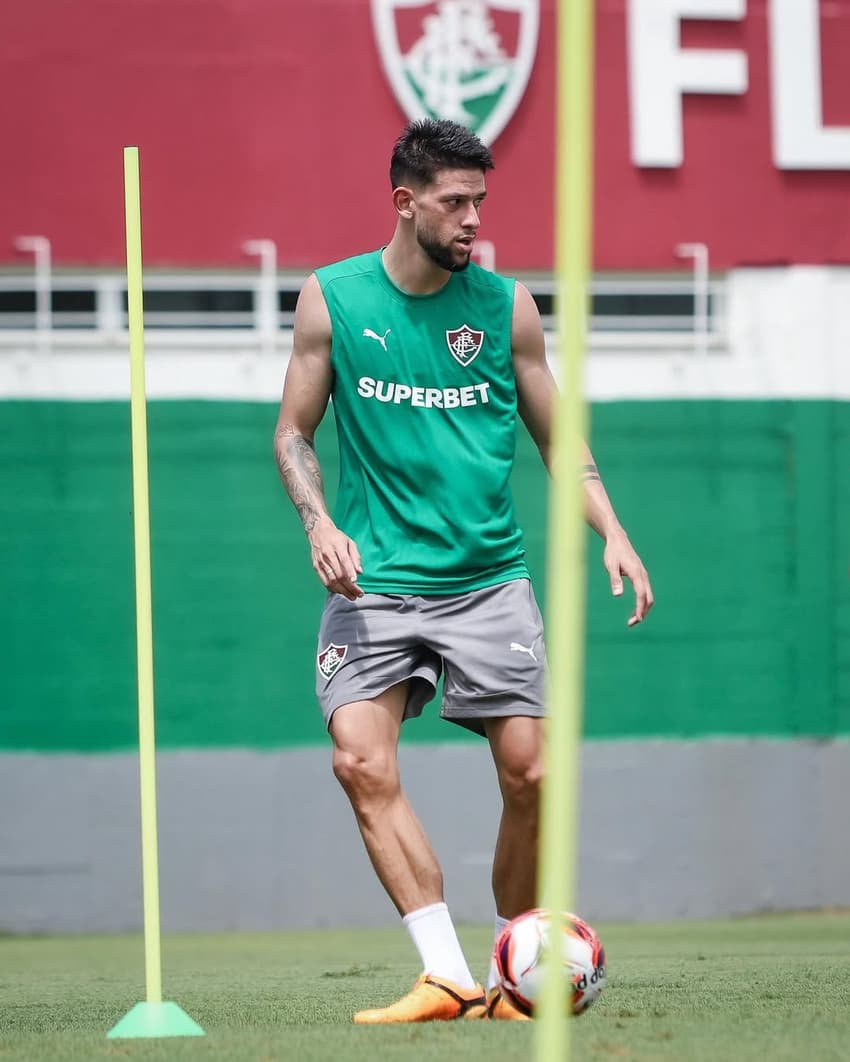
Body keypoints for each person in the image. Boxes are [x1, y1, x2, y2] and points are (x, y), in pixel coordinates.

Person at [273, 118, 653, 1024]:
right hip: (375, 587)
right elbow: (293, 432)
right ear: (406, 202)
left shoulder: (506, 308)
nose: (473, 218)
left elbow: (561, 443)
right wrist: (317, 520)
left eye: (480, 200)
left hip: (488, 581)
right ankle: (444, 974)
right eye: (455, 202)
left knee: (534, 776)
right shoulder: (331, 300)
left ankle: (515, 976)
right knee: (359, 761)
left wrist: (614, 532)